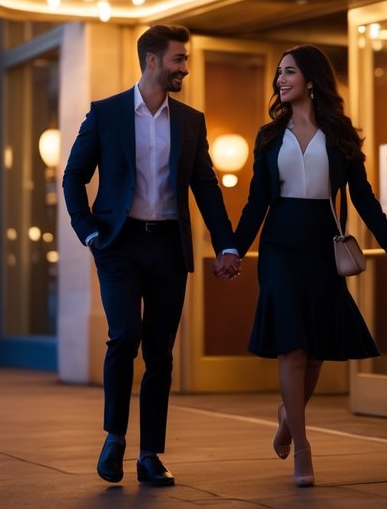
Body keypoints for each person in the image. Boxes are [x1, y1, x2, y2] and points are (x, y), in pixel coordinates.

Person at [62, 24, 241, 487]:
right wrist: (88, 234)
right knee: (124, 338)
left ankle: (149, 455)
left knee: (159, 351)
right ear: (152, 61)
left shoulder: (190, 121)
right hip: (118, 245)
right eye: (179, 59)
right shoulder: (107, 114)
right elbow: (73, 176)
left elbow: (205, 186)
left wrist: (226, 243)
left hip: (167, 245)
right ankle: (114, 438)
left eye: (186, 59)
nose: (186, 67)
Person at [233, 44, 387, 487]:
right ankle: (304, 449)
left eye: (289, 72)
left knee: (315, 355)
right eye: (278, 74)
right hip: (279, 245)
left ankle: (287, 418)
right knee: (292, 348)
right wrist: (233, 249)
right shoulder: (269, 136)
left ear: (311, 79)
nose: (280, 80)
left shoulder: (341, 133)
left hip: (322, 245)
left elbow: (363, 197)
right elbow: (257, 200)